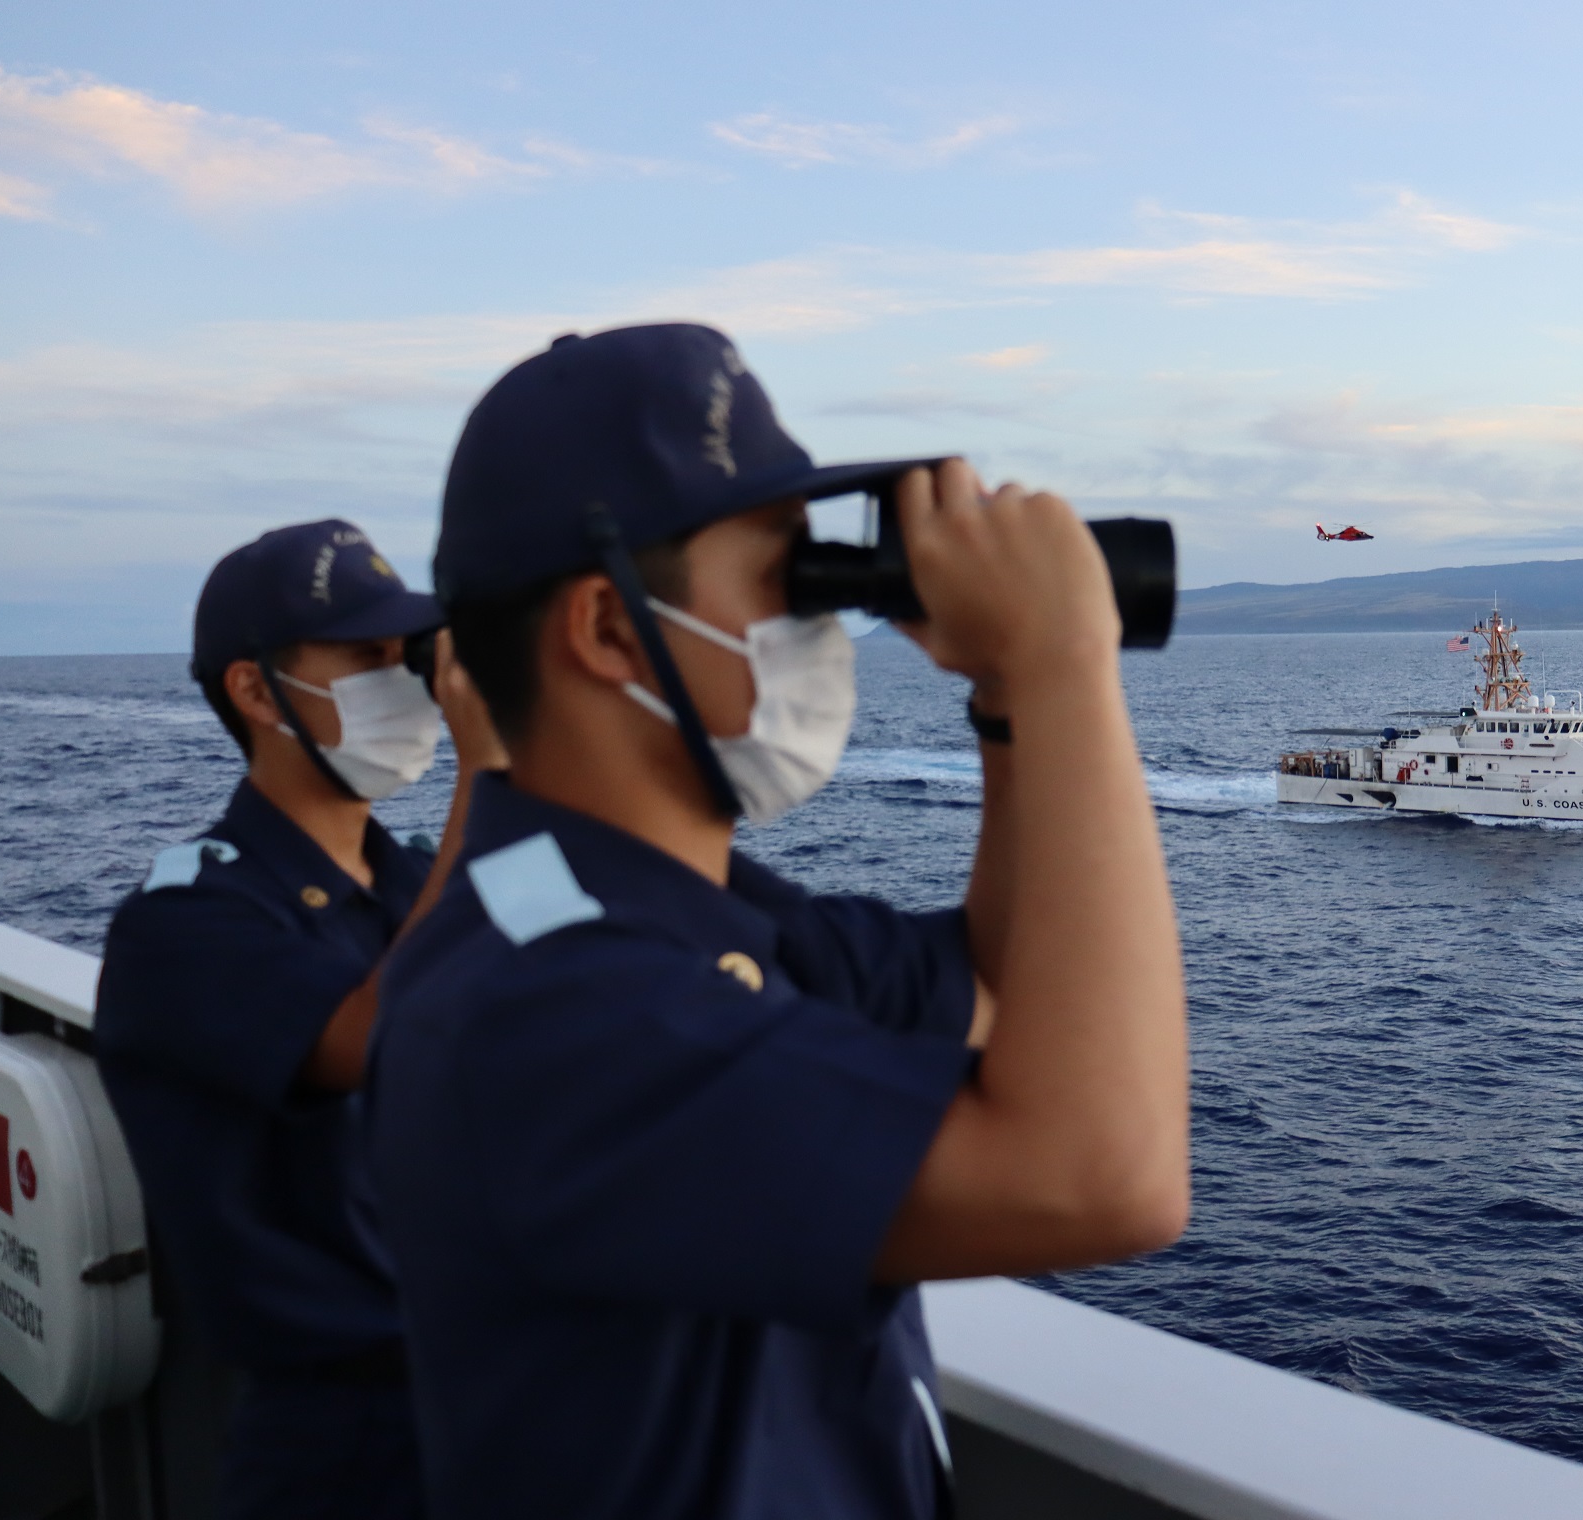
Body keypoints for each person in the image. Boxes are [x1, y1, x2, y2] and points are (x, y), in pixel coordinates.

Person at [367, 323, 1189, 1520]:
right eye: (786, 583)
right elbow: (1106, 1177)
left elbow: (998, 990)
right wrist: (1070, 664)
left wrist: (1011, 700)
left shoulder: (669, 922)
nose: (822, 629)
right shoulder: (545, 1010)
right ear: (605, 630)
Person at [94, 519, 505, 1520]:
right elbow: (382, 1032)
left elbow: (592, 947)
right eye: (367, 656)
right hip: (348, 1449)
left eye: (411, 655)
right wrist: (485, 770)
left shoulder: (417, 877)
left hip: (501, 1403)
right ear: (253, 689)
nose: (406, 683)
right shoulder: (180, 923)